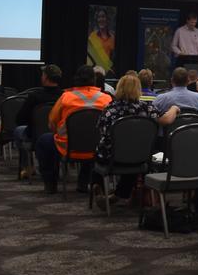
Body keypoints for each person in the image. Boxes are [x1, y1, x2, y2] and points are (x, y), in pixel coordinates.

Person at [92, 74, 179, 210]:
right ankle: (120, 194)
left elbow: (102, 133)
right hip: (139, 158)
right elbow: (167, 120)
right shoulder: (146, 108)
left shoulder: (109, 109)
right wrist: (174, 108)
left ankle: (100, 189)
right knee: (133, 156)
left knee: (99, 153)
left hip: (111, 158)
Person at [35, 65, 112, 195]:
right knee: (92, 138)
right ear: (94, 79)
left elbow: (52, 123)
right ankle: (83, 182)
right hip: (95, 149)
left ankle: (51, 183)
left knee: (43, 141)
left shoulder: (66, 97)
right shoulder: (107, 99)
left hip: (67, 148)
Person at [14, 64, 65, 178]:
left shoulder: (34, 97)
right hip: (59, 136)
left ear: (45, 78)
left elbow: (20, 119)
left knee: (18, 130)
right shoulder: (64, 96)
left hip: (35, 136)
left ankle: (28, 167)